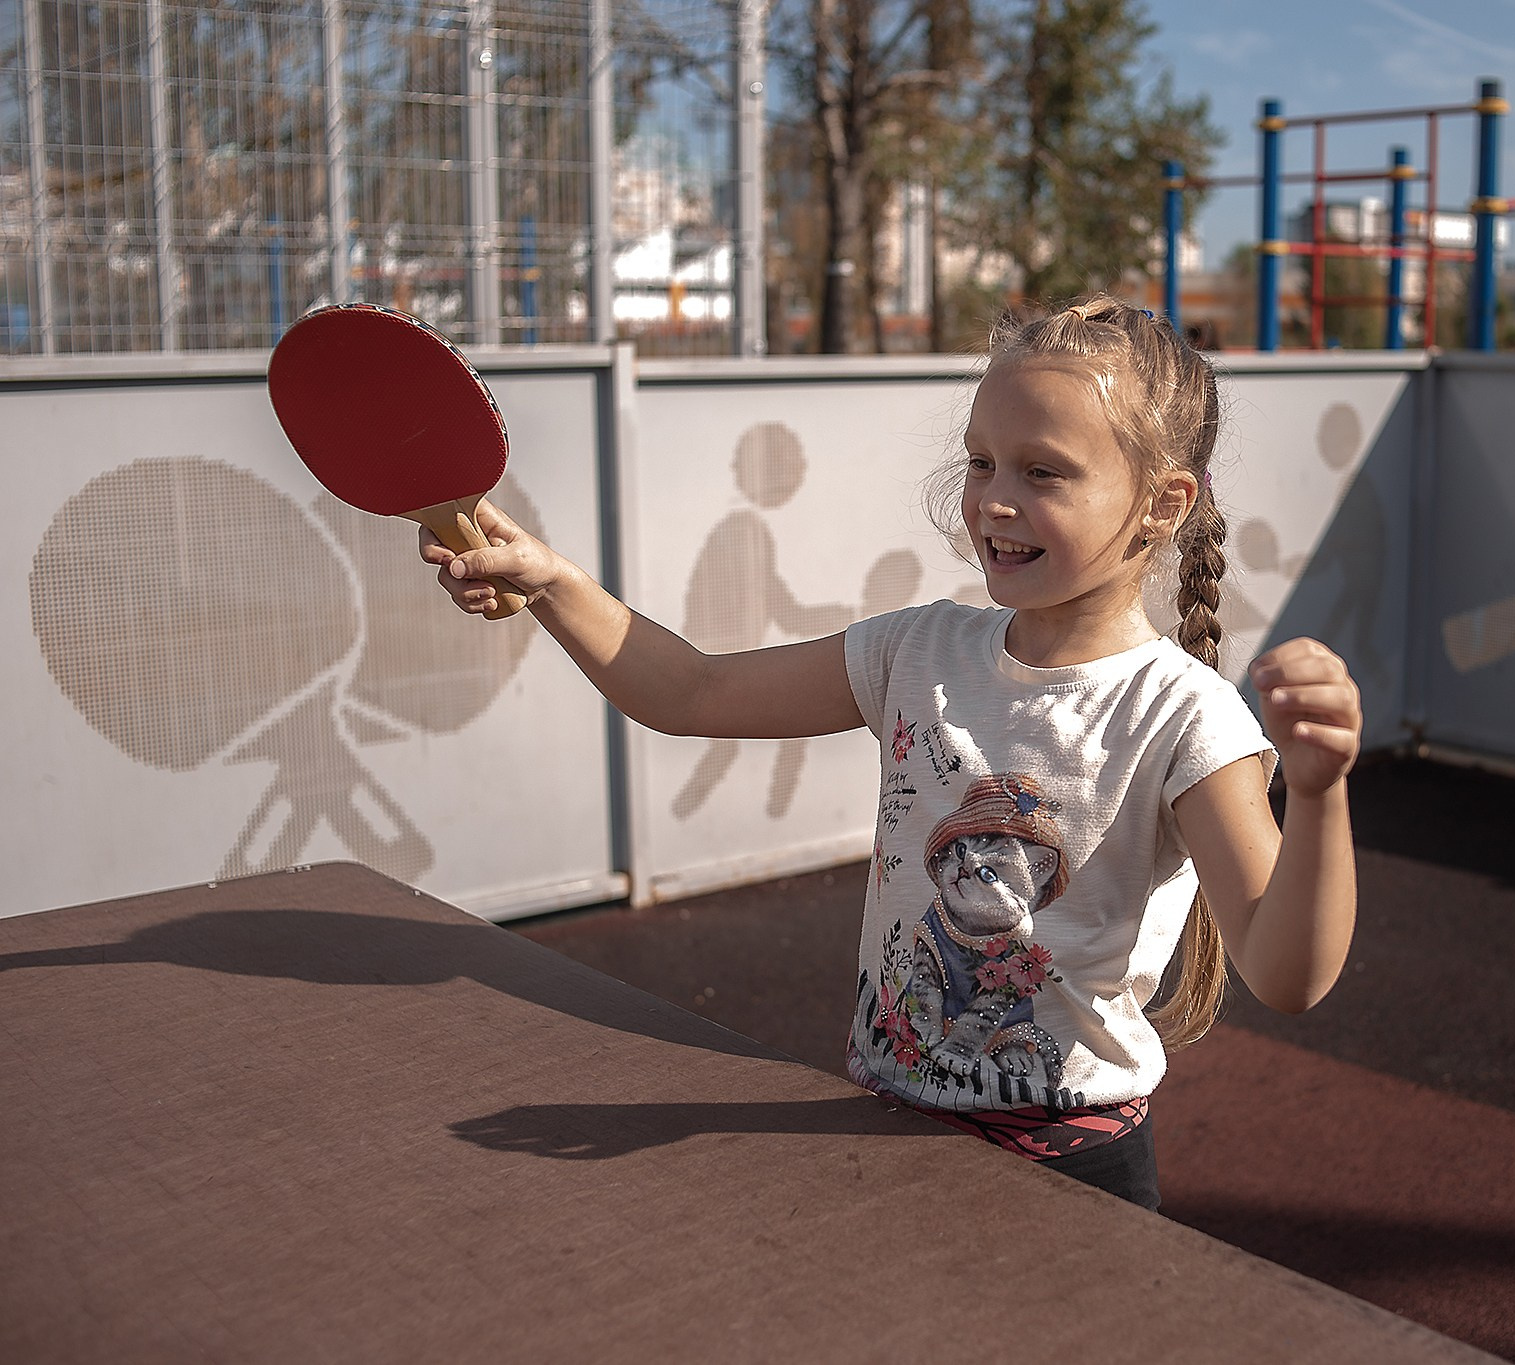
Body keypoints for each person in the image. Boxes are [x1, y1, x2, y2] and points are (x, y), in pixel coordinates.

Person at [422, 295, 1362, 1211]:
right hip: (879, 1124)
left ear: (1162, 504)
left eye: (1044, 472)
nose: (995, 499)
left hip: (1075, 1168)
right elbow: (690, 692)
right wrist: (553, 582)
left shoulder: (1183, 714)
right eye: (982, 461)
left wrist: (1320, 793)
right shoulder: (918, 651)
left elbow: (1287, 973)